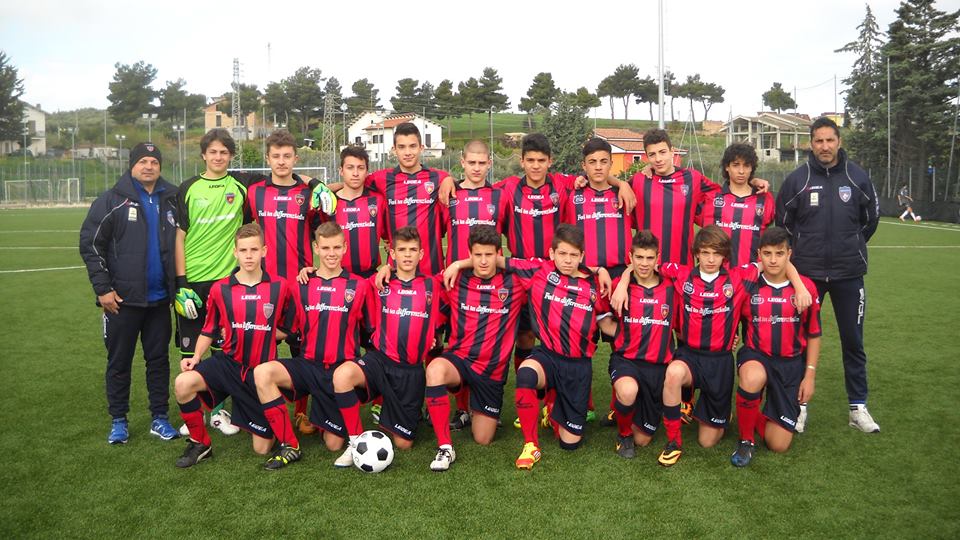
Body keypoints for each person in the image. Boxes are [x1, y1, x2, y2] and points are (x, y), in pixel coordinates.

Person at [611, 225, 810, 467]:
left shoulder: (739, 277)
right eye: (705, 252)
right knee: (673, 373)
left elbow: (776, 260)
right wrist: (622, 282)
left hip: (720, 362)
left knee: (708, 441)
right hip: (689, 356)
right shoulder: (680, 274)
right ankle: (674, 441)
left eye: (716, 253)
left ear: (725, 256)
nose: (710, 259)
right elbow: (642, 263)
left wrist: (798, 285)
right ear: (696, 253)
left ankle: (718, 414)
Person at [776, 116, 881, 433]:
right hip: (807, 277)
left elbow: (870, 221)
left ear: (839, 142)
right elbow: (783, 226)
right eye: (819, 140)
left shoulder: (857, 177)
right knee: (800, 341)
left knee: (853, 341)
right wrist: (803, 253)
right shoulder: (798, 180)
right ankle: (798, 407)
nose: (824, 146)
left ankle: (857, 407)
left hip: (849, 273)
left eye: (830, 140)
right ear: (811, 143)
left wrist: (850, 245)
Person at [79, 142, 180, 444]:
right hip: (121, 302)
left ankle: (159, 419)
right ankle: (119, 421)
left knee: (159, 361)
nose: (148, 166)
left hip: (160, 300)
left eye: (154, 161)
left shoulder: (173, 199)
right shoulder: (112, 200)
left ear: (160, 166)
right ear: (132, 165)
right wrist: (103, 290)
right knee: (119, 362)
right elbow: (91, 245)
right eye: (143, 161)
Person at [172, 223, 296, 468]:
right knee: (183, 383)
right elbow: (208, 328)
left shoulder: (280, 287)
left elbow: (290, 328)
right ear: (235, 253)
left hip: (259, 373)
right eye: (243, 250)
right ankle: (200, 443)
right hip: (227, 365)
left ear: (264, 251)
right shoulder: (220, 289)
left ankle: (264, 423)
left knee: (261, 449)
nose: (248, 255)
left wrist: (265, 332)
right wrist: (195, 357)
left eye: (253, 249)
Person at [252, 222, 371, 469]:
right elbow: (286, 329)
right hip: (307, 366)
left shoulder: (359, 286)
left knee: (334, 444)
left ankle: (322, 417)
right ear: (316, 248)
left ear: (345, 248)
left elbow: (372, 330)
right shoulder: (301, 285)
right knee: (263, 372)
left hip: (339, 373)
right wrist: (243, 331)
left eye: (337, 247)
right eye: (325, 247)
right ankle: (290, 444)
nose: (331, 253)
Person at [332, 227, 447, 467]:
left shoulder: (433, 285)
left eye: (412, 250)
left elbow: (464, 276)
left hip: (410, 371)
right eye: (402, 250)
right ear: (392, 253)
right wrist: (310, 271)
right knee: (343, 375)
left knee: (404, 444)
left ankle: (398, 414)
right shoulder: (378, 283)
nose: (407, 255)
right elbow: (343, 283)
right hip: (380, 360)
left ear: (422, 254)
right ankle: (354, 442)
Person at [425, 225, 532, 471]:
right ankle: (445, 447)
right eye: (477, 255)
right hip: (460, 361)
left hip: (491, 371)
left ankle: (475, 409)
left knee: (483, 439)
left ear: (499, 253)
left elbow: (542, 268)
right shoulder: (457, 279)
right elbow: (420, 284)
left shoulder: (514, 282)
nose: (483, 261)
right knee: (435, 370)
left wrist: (461, 262)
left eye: (489, 255)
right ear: (470, 254)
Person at [509, 224, 613, 470]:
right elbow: (499, 261)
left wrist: (634, 337)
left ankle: (553, 409)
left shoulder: (595, 286)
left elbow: (607, 325)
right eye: (562, 254)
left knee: (569, 443)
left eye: (573, 255)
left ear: (582, 256)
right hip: (548, 356)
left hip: (578, 367)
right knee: (526, 373)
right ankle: (530, 445)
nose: (567, 260)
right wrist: (458, 264)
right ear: (552, 253)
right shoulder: (540, 271)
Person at [246, 129, 329, 435]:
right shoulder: (253, 193)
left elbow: (325, 233)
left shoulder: (308, 194)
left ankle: (302, 413)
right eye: (276, 156)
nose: (281, 162)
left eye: (287, 156)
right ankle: (260, 409)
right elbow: (245, 234)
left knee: (302, 351)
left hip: (299, 286)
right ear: (267, 159)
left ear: (296, 158)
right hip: (264, 287)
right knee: (261, 350)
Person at [173, 128, 249, 436]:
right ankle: (194, 410)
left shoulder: (240, 185)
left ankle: (218, 412)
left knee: (225, 347)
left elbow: (284, 180)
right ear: (204, 155)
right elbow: (179, 237)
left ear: (231, 156)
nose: (218, 157)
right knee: (192, 350)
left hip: (227, 282)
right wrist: (181, 282)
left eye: (224, 152)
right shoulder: (188, 188)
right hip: (193, 282)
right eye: (213, 152)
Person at [731, 227, 821, 467]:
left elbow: (814, 334)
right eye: (767, 253)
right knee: (751, 377)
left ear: (789, 254)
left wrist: (809, 374)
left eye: (779, 253)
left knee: (778, 445)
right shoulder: (748, 284)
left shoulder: (806, 289)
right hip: (756, 354)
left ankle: (750, 415)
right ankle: (746, 439)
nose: (773, 259)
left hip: (790, 364)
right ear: (758, 254)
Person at [439, 140, 506, 430]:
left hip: (490, 282)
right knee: (456, 342)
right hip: (456, 282)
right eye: (472, 163)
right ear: (462, 163)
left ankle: (484, 401)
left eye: (482, 163)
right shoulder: (450, 194)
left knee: (487, 343)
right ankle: (462, 408)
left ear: (489, 164)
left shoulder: (500, 196)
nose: (477, 168)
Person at [602, 231, 676, 459]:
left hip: (656, 368)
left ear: (658, 258)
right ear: (630, 257)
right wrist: (628, 333)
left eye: (649, 258)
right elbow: (604, 323)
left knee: (643, 440)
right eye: (639, 257)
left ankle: (627, 413)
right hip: (626, 360)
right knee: (628, 390)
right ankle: (623, 434)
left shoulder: (672, 289)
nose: (644, 263)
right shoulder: (618, 285)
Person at [697, 143, 775, 267]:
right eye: (736, 165)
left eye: (746, 165)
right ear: (727, 167)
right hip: (717, 277)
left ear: (752, 168)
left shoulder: (765, 199)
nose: (741, 171)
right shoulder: (710, 197)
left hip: (752, 277)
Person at [324, 145, 387, 278]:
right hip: (337, 279)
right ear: (341, 171)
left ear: (367, 171)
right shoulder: (328, 203)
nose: (355, 173)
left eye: (360, 168)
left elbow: (390, 237)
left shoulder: (378, 200)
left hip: (370, 278)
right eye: (350, 167)